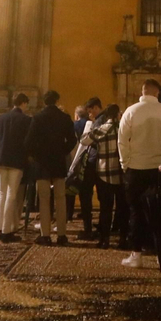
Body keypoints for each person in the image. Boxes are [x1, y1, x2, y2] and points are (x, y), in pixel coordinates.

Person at [118, 78, 161, 268]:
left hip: (136, 167)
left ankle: (136, 254)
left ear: (141, 92)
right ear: (157, 92)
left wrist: (125, 163)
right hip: (160, 168)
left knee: (136, 211)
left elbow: (122, 140)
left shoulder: (130, 111)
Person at [25, 90, 77, 245]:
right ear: (56, 100)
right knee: (61, 199)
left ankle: (45, 235)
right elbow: (73, 140)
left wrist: (36, 155)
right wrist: (63, 151)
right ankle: (62, 235)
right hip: (58, 162)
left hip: (42, 164)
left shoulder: (38, 118)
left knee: (44, 199)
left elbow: (28, 142)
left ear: (44, 101)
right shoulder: (64, 117)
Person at [71, 102, 124, 247]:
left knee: (105, 208)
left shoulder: (103, 128)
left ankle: (105, 239)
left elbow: (84, 140)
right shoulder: (123, 128)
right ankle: (123, 239)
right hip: (121, 172)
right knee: (122, 206)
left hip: (104, 172)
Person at [0, 93, 32, 242]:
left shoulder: (1, 119)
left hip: (2, 160)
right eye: (26, 104)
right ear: (23, 103)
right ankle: (7, 230)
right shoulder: (25, 120)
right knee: (12, 194)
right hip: (17, 160)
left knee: (2, 193)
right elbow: (28, 141)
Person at [71, 97, 104, 235]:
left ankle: (88, 228)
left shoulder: (99, 121)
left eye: (91, 112)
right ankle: (101, 227)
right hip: (98, 162)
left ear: (96, 108)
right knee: (102, 197)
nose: (89, 115)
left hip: (94, 161)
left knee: (86, 194)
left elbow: (87, 140)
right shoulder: (102, 120)